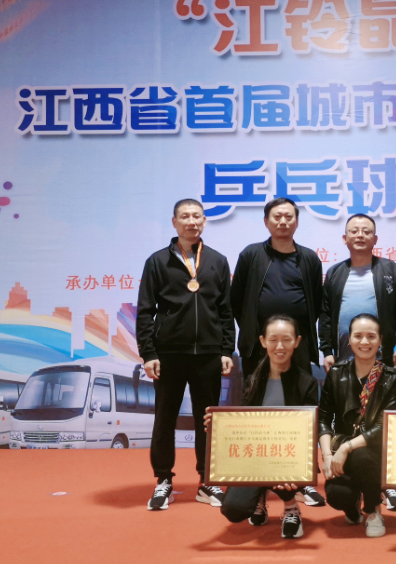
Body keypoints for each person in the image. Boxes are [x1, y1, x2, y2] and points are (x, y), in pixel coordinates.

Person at [137, 199, 235, 510]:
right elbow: (145, 311)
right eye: (185, 216)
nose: (191, 221)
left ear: (204, 221)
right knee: (164, 419)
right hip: (169, 354)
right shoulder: (158, 261)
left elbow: (225, 310)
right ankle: (163, 480)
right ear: (174, 222)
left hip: (208, 353)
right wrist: (148, 352)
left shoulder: (217, 261)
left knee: (207, 421)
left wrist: (226, 349)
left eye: (196, 216)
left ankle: (207, 482)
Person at [318, 213, 396, 512]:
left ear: (375, 238)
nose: (360, 235)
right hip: (343, 359)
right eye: (354, 231)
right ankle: (355, 476)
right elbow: (325, 314)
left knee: (381, 420)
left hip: (380, 356)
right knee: (349, 416)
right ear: (344, 238)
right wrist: (327, 349)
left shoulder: (389, 270)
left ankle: (386, 481)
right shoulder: (335, 272)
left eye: (366, 231)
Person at [206, 315, 320, 539]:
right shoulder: (252, 380)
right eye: (273, 340)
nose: (280, 346)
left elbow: (307, 432)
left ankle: (291, 507)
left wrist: (297, 466)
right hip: (255, 458)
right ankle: (259, 497)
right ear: (263, 341)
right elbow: (242, 426)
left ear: (297, 342)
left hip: (289, 457)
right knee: (233, 509)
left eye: (286, 340)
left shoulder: (307, 383)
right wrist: (218, 429)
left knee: (284, 472)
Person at [319, 313, 396, 538]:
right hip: (340, 450)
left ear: (381, 340)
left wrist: (347, 447)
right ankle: (352, 504)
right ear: (349, 340)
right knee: (337, 495)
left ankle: (373, 510)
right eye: (358, 336)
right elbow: (323, 418)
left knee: (362, 456)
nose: (364, 342)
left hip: (374, 450)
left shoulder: (391, 377)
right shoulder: (336, 373)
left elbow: (384, 425)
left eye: (371, 336)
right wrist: (327, 455)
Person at [231, 198, 323, 378]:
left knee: (299, 393)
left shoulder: (309, 258)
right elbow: (236, 299)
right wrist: (253, 328)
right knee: (256, 392)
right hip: (259, 343)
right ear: (266, 221)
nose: (283, 221)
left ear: (297, 222)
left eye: (288, 217)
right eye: (277, 216)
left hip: (297, 343)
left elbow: (317, 301)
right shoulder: (251, 254)